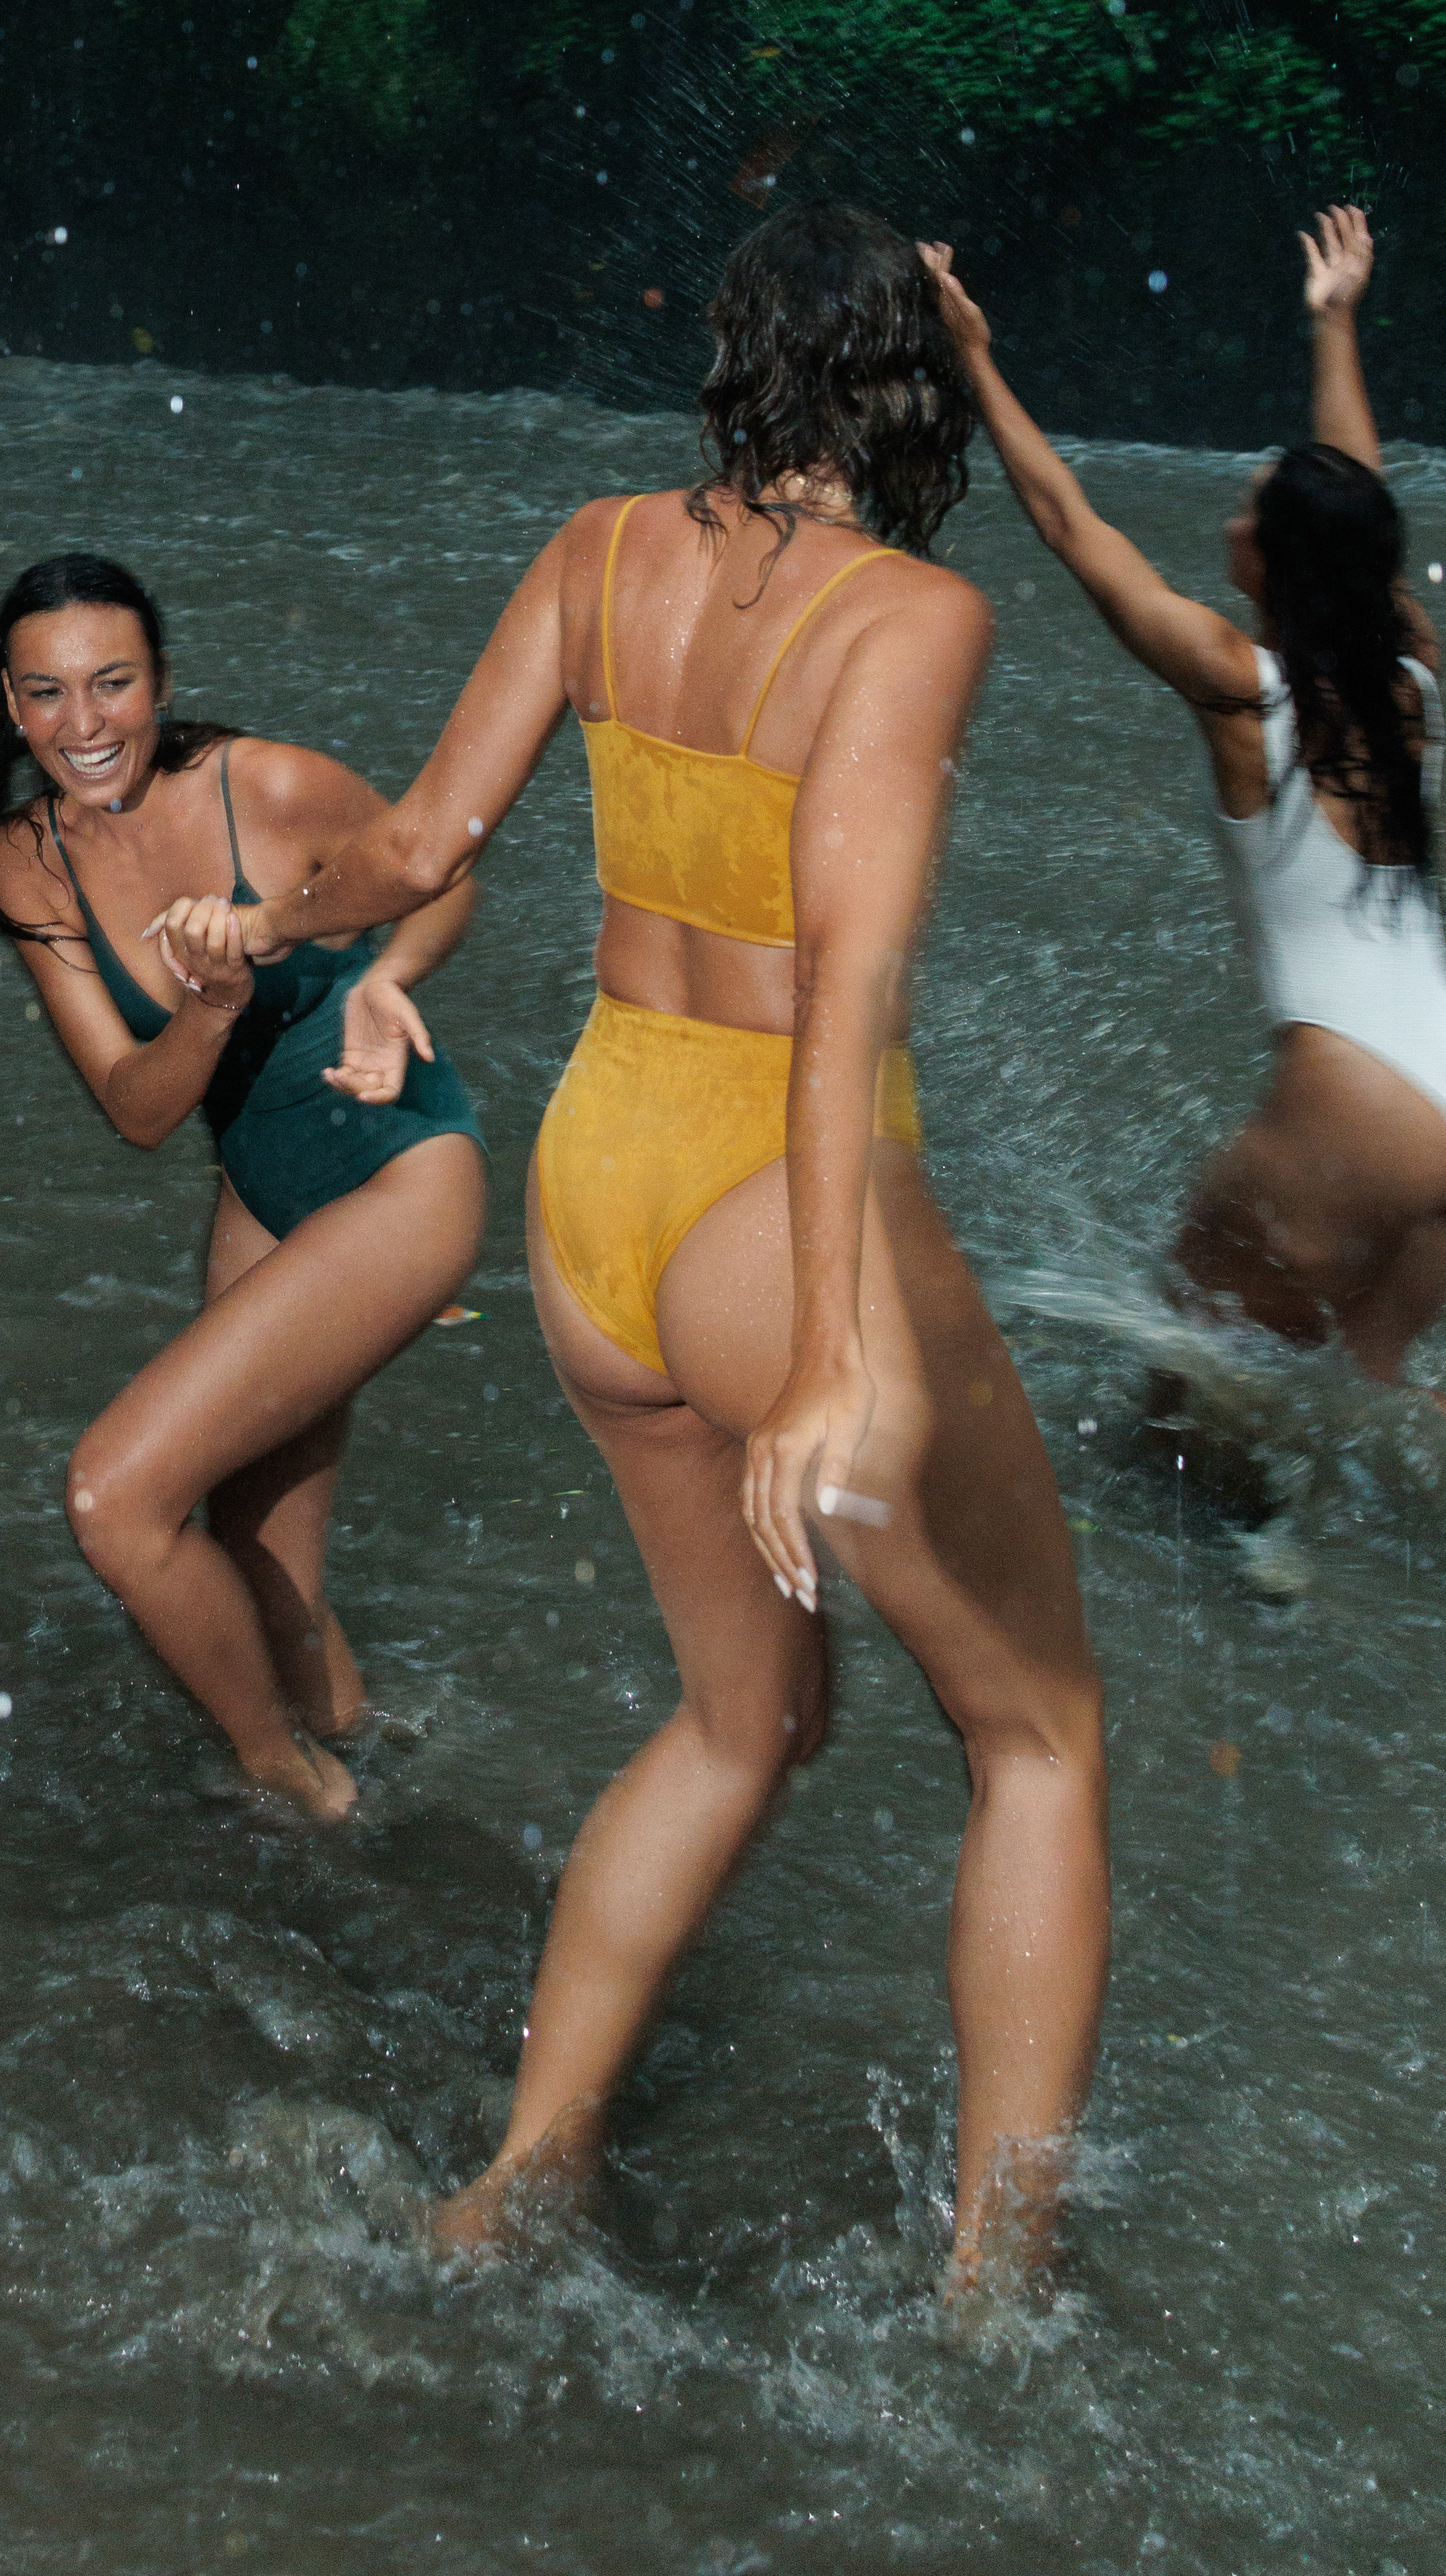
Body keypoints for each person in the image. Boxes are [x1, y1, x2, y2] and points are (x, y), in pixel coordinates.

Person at [148, 211, 1107, 2315]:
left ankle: (519, 2177)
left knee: (741, 1720)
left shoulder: (596, 553)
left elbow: (416, 845)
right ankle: (995, 2300)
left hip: (601, 1185)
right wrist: (836, 1349)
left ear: (737, 362)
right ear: (910, 386)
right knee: (1038, 1737)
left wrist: (266, 920)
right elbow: (847, 980)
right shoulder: (910, 616)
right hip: (774, 1196)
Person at [0, 550, 484, 1824]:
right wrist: (208, 1011)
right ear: (10, 703)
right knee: (253, 1555)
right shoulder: (27, 862)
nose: (83, 724)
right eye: (46, 693)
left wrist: (387, 978)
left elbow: (439, 869)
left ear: (160, 681)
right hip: (261, 1182)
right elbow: (139, 1110)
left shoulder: (265, 786)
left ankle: (288, 1781)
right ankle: (377, 1778)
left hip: (399, 1165)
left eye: (112, 683)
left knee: (116, 1497)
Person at [930, 206, 1446, 1388]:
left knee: (1181, 1385)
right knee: (1358, 1401)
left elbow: (1066, 520)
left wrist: (973, 355)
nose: (1228, 521)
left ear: (1276, 559)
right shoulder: (1408, 677)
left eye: (1249, 510)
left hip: (1355, 1110)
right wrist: (1334, 325)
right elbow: (1356, 507)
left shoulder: (1238, 689)